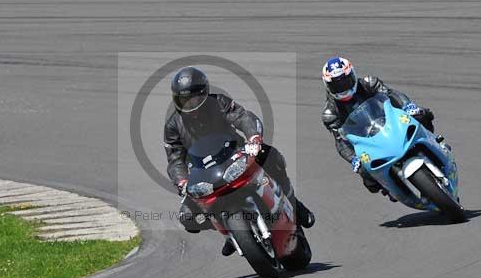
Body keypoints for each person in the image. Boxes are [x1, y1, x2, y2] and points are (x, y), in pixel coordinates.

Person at [164, 66, 314, 256]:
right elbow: (174, 159)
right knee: (187, 218)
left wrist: (253, 138)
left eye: (193, 99)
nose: (189, 105)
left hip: (235, 154)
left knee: (272, 156)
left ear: (204, 93)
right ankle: (231, 233)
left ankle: (295, 204)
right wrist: (182, 181)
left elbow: (243, 118)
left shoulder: (218, 102)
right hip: (203, 171)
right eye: (183, 100)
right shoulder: (172, 126)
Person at [320, 56, 439, 195]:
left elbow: (393, 95)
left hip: (391, 121)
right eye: (337, 86)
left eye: (345, 82)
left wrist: (408, 107)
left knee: (423, 115)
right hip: (366, 142)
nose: (343, 88)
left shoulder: (369, 83)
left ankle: (434, 143)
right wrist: (354, 160)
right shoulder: (330, 113)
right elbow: (340, 142)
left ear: (353, 74)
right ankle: (391, 189)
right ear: (328, 86)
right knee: (369, 180)